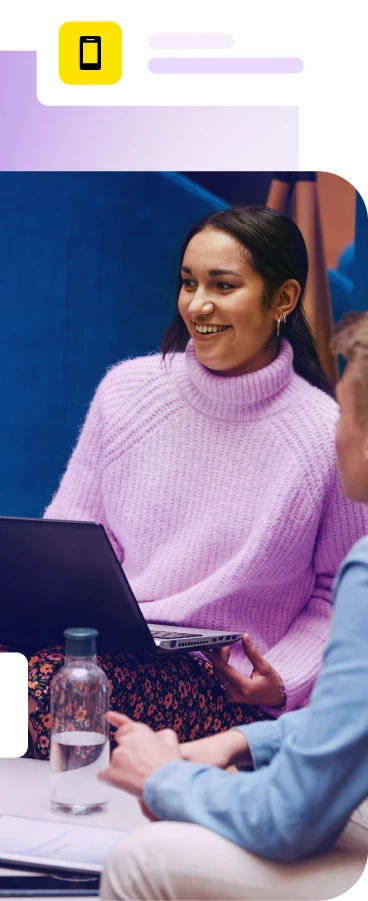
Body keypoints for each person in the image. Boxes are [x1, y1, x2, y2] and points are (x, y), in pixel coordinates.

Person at [0, 206, 368, 760]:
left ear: (284, 299)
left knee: (25, 695)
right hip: (93, 639)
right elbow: (64, 544)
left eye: (223, 285)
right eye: (188, 283)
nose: (198, 304)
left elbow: (340, 591)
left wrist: (284, 679)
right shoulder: (128, 391)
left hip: (215, 680)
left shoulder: (323, 435)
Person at [97, 311, 368, 901]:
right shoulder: (130, 391)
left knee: (142, 857)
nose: (336, 430)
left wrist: (167, 779)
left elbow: (288, 818)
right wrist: (246, 744)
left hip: (215, 688)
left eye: (346, 414)